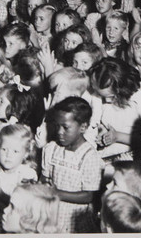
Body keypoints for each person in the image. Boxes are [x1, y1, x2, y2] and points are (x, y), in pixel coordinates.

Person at [41, 97, 103, 232]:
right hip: (52, 214)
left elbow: (88, 195)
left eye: (66, 127)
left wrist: (57, 193)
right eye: (57, 125)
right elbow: (45, 178)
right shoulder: (51, 149)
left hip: (76, 219)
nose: (59, 132)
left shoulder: (89, 156)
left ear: (83, 127)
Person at [90, 58, 141, 161]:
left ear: (120, 91)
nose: (104, 100)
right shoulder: (99, 91)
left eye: (109, 96)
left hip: (131, 156)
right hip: (104, 153)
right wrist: (101, 131)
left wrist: (118, 136)